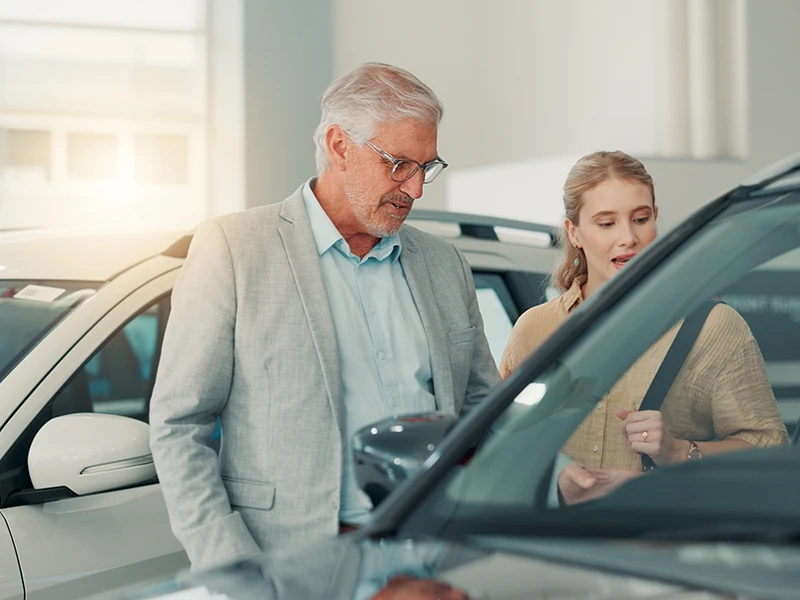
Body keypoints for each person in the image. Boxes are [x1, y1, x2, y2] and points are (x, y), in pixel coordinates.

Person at [148, 62, 501, 569]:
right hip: (292, 566)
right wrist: (231, 566)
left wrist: (553, 476)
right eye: (399, 163)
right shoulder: (235, 248)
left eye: (427, 166)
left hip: (429, 560)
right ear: (339, 146)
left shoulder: (444, 264)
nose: (417, 188)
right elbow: (180, 425)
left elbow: (483, 409)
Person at [500, 150, 788, 502]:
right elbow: (499, 443)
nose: (629, 238)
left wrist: (680, 452)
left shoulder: (713, 327)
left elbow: (769, 448)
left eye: (640, 218)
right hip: (546, 545)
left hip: (659, 546)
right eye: (607, 223)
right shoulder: (534, 328)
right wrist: (556, 476)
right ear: (573, 232)